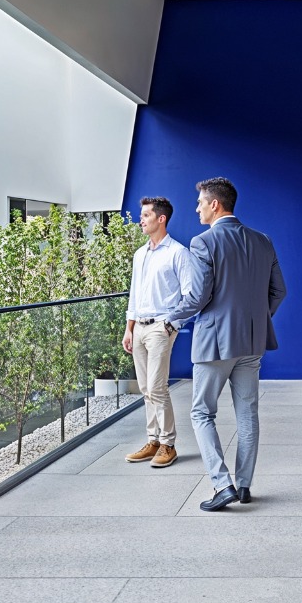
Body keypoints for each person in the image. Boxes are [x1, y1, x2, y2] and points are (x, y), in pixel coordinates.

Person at [167, 177, 287, 511]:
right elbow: (279, 291)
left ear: (215, 204)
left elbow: (198, 296)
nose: (197, 209)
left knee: (201, 412)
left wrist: (171, 319)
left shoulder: (203, 242)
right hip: (252, 342)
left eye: (200, 203)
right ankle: (244, 486)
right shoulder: (263, 241)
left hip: (214, 343)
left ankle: (222, 486)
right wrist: (256, 318)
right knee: (247, 414)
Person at [121, 196, 198, 469]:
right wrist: (129, 329)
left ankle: (168, 444)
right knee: (145, 388)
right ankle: (153, 441)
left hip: (160, 328)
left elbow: (191, 295)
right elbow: (134, 295)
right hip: (139, 328)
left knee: (157, 387)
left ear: (161, 218)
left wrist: (171, 325)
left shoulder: (178, 253)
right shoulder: (139, 255)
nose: (141, 220)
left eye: (146, 215)